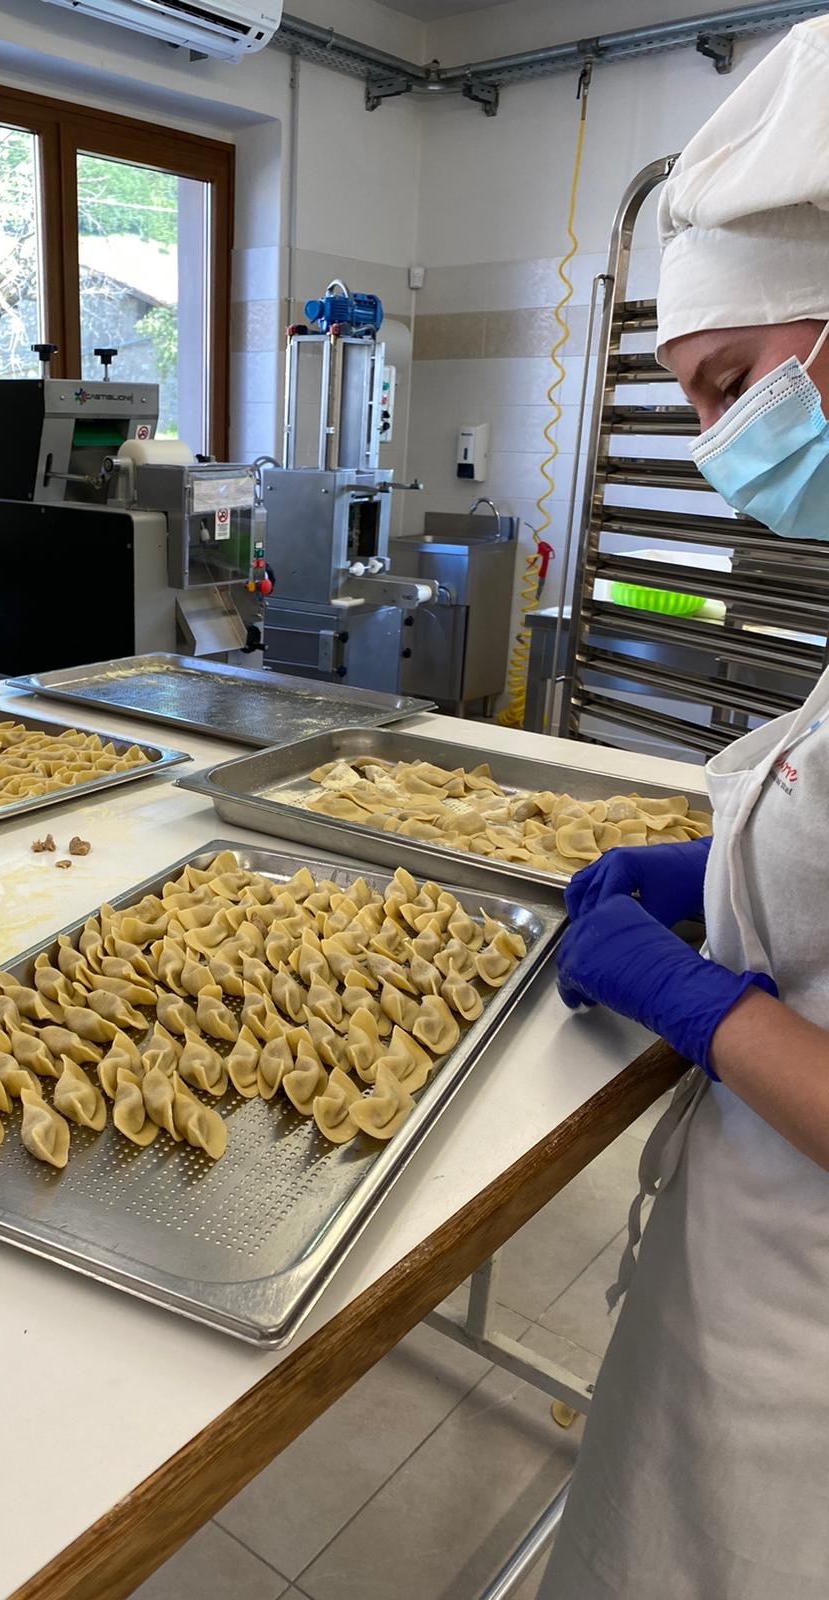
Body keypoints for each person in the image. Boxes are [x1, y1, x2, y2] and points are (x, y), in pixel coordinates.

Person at [539, 18, 829, 1599]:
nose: (718, 450)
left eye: (731, 384)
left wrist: (694, 1002)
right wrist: (723, 863)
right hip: (763, 1248)